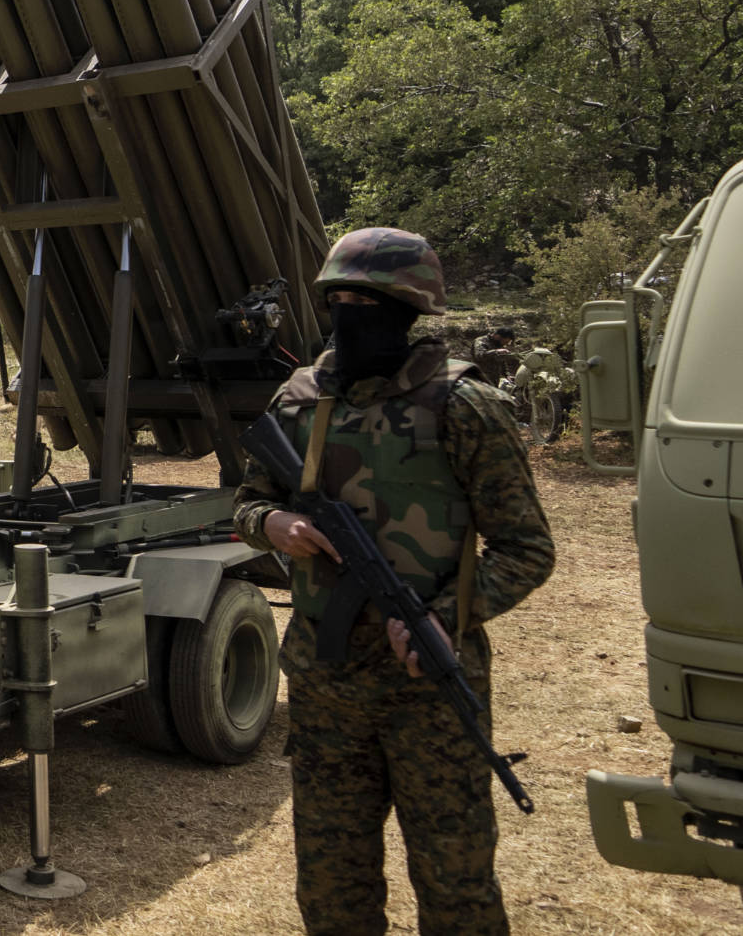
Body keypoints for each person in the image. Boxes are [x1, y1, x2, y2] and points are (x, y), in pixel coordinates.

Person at [233, 227, 555, 936]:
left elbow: (527, 548)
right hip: (325, 685)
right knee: (331, 886)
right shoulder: (299, 401)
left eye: (368, 300)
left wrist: (444, 617)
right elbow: (248, 501)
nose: (350, 312)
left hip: (428, 692)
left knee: (457, 885)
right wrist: (273, 525)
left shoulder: (464, 408)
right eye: (338, 298)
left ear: (407, 310)